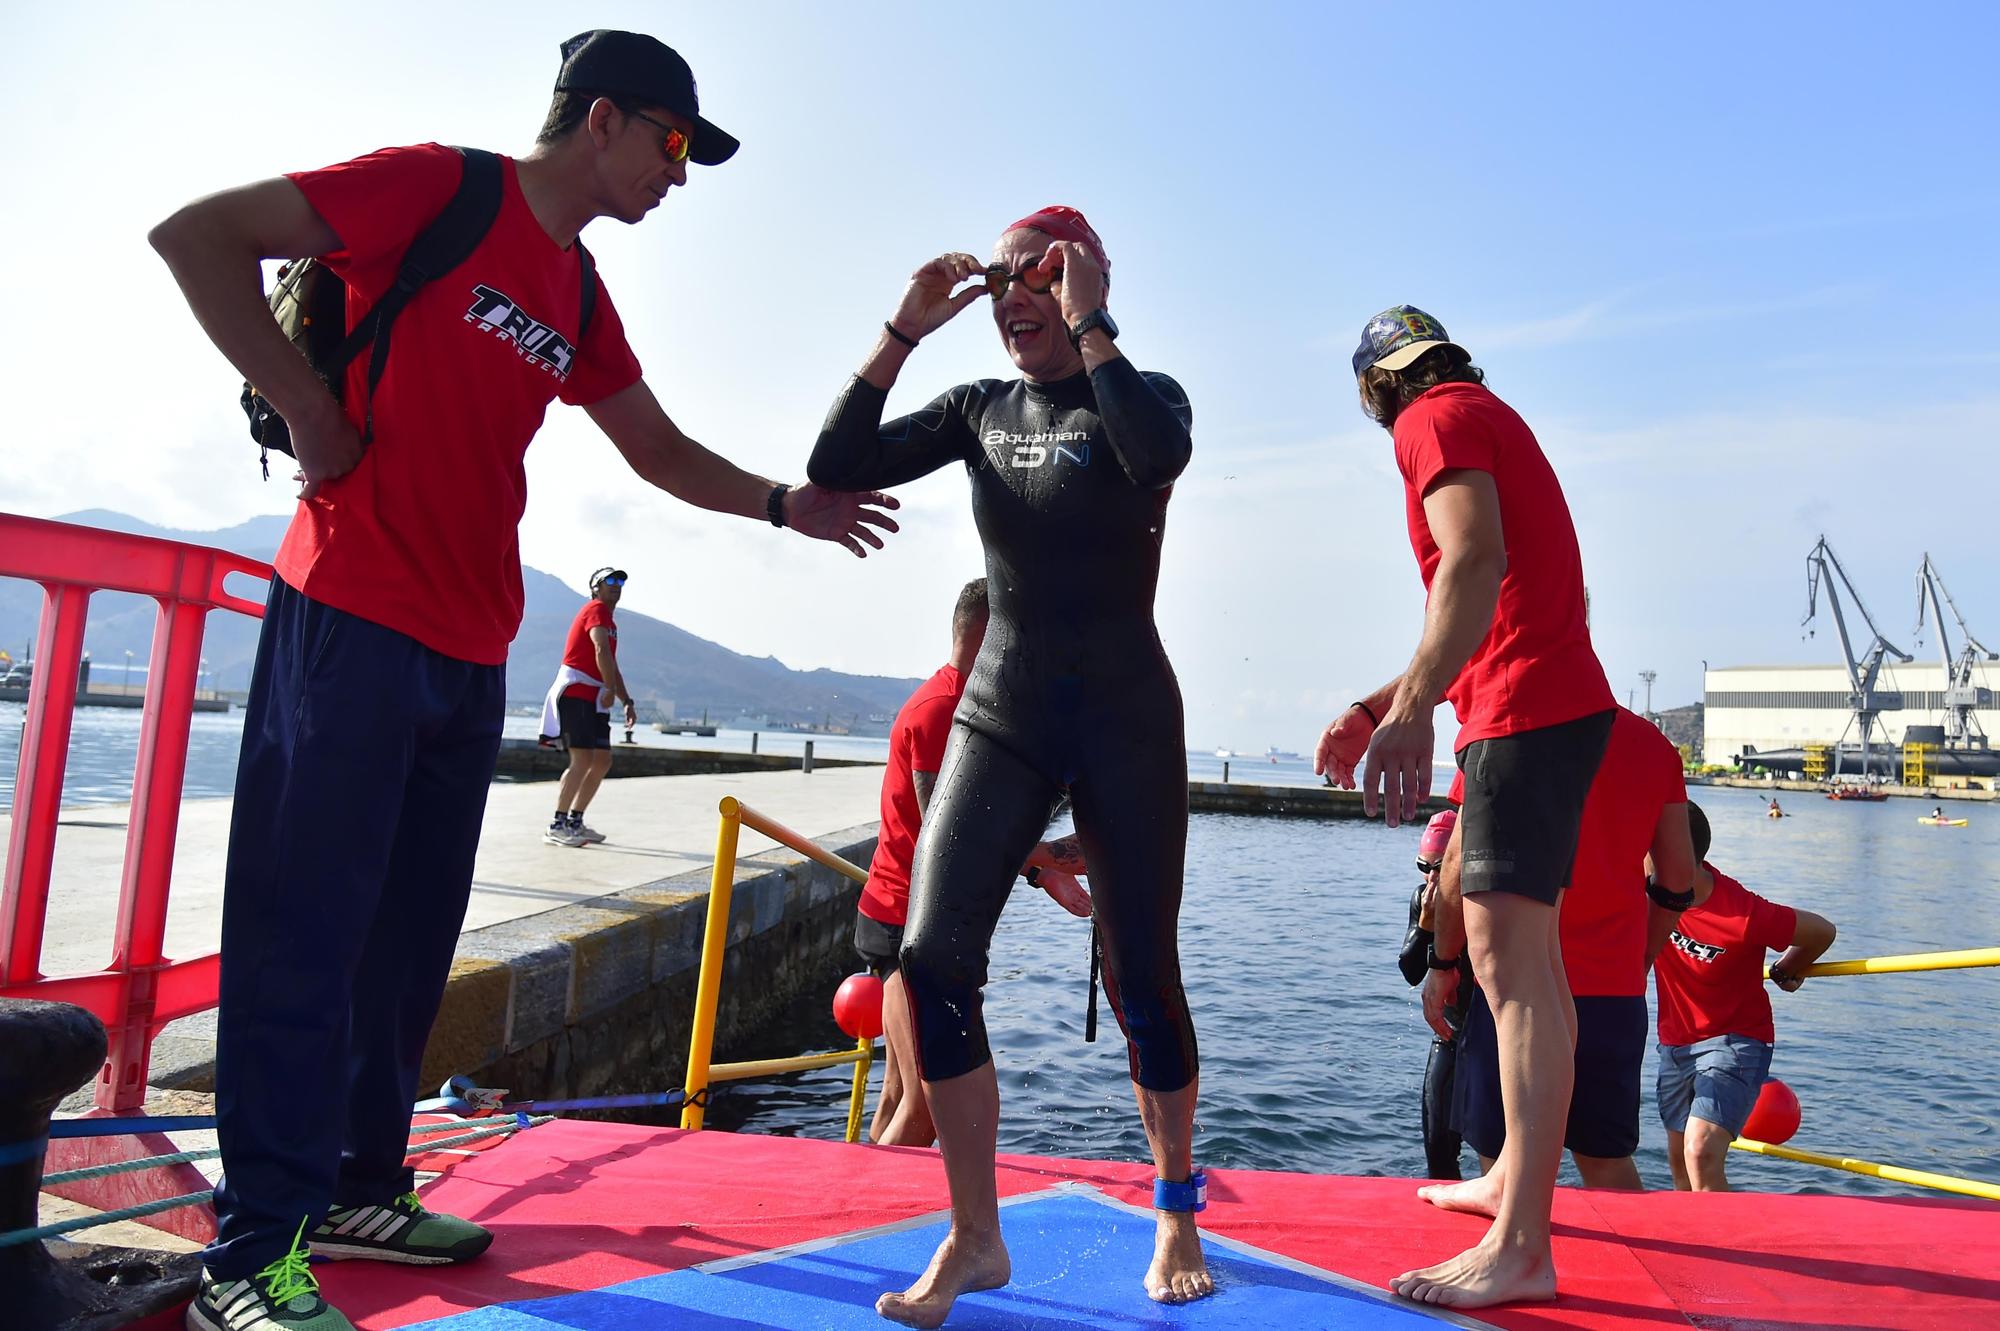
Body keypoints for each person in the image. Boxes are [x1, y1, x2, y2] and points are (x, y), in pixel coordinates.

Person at [151, 31, 900, 1331]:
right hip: (351, 607)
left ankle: (360, 1186)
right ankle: (251, 1257)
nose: (682, 172)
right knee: (304, 938)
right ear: (600, 120)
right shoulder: (438, 188)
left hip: (467, 648)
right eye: (673, 142)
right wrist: (308, 411)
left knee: (403, 949)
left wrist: (790, 503)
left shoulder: (577, 288)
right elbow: (198, 234)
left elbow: (653, 443)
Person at [810, 207, 1208, 1324]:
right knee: (932, 959)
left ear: (1082, 279)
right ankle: (973, 1236)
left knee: (1139, 980)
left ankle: (1175, 1199)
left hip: (1124, 712)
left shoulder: (1143, 390)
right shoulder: (978, 410)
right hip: (1007, 704)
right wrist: (902, 328)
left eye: (1037, 275)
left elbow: (1155, 456)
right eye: (1000, 284)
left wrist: (1092, 321)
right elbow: (835, 461)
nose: (1012, 298)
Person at [1315, 306, 1614, 1308]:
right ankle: (1511, 1183)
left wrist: (1408, 718)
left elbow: (1472, 565)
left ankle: (1522, 1240)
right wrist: (1380, 705)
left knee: (1510, 969)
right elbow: (1481, 603)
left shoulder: (1428, 420)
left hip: (1526, 714)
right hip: (1546, 704)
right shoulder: (1483, 410)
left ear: (1373, 388)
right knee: (1533, 967)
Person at [1422, 706, 1694, 1206]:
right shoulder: (1652, 745)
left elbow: (1458, 862)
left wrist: (1442, 963)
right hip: (1613, 990)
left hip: (1514, 986)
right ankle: (1645, 1277)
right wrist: (1638, 959)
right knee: (1607, 1162)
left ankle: (1508, 1261)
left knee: (1500, 1162)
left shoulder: (1505, 723)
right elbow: (1678, 879)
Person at [856, 577, 1091, 1147]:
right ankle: (860, 1223)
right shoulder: (943, 712)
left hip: (913, 918)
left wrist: (1041, 872)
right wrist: (1055, 855)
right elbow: (951, 830)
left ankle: (852, 1203)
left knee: (896, 1093)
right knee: (929, 1107)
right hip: (904, 925)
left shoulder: (960, 703)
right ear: (992, 631)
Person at [1656, 802, 1837, 1191]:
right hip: (1675, 1043)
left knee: (1700, 1152)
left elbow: (1821, 931)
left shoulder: (1742, 913)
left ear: (1677, 857)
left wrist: (1786, 967)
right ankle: (1695, 1246)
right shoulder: (1648, 890)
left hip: (1736, 1040)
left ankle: (1726, 1245)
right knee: (1678, 1163)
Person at [1397, 809, 1472, 1179]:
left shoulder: (1487, 903)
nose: (1431, 879)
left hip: (1492, 1037)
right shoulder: (1423, 898)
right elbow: (1411, 972)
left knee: (1501, 1148)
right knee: (1438, 1152)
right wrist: (1426, 924)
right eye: (1423, 868)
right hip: (1450, 1036)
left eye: (1441, 868)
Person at [539, 567, 637, 846]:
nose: (617, 585)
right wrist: (608, 687)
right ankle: (557, 824)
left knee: (602, 760)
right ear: (596, 587)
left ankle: (575, 820)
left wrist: (626, 700)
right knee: (582, 759)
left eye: (620, 581)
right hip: (577, 694)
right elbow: (599, 650)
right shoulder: (596, 609)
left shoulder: (610, 622)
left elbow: (610, 662)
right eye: (610, 580)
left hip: (594, 697)